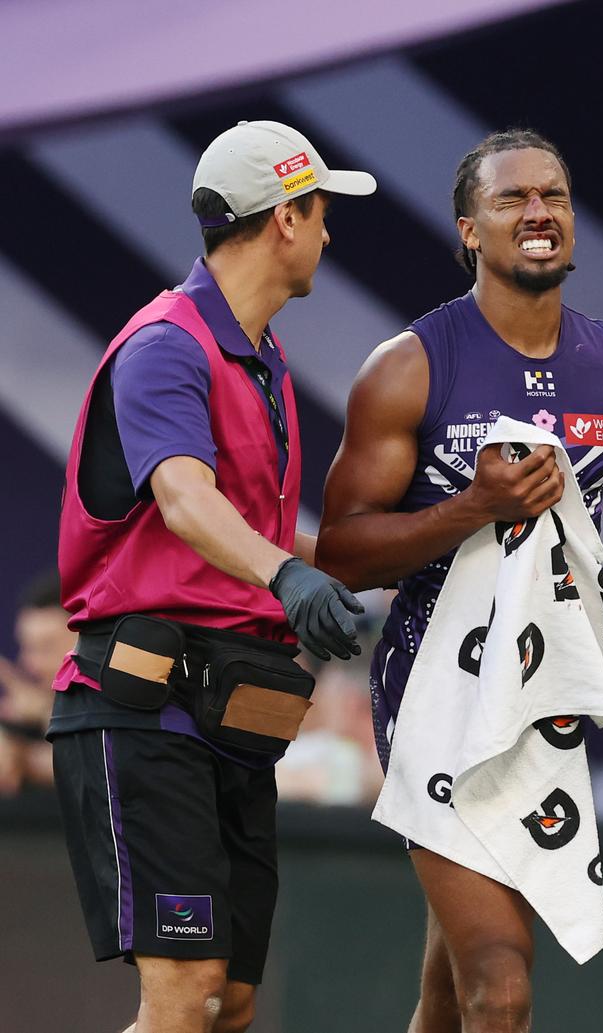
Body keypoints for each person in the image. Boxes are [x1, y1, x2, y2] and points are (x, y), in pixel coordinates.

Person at [315, 129, 603, 1033]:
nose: (539, 213)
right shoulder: (409, 365)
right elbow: (343, 553)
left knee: (451, 991)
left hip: (545, 690)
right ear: (469, 230)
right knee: (500, 985)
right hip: (435, 688)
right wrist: (473, 506)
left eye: (553, 195)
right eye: (512, 199)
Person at [47, 120, 376, 1033]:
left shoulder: (256, 355)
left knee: (229, 1001)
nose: (327, 234)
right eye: (321, 212)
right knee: (183, 997)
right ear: (284, 220)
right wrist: (290, 579)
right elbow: (187, 501)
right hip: (144, 713)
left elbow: (258, 535)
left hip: (227, 719)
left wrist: (406, 557)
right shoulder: (166, 344)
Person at [0, 569, 73, 793]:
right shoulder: (19, 716)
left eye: (47, 648)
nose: (31, 665)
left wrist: (44, 711)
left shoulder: (125, 702)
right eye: (27, 647)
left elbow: (98, 766)